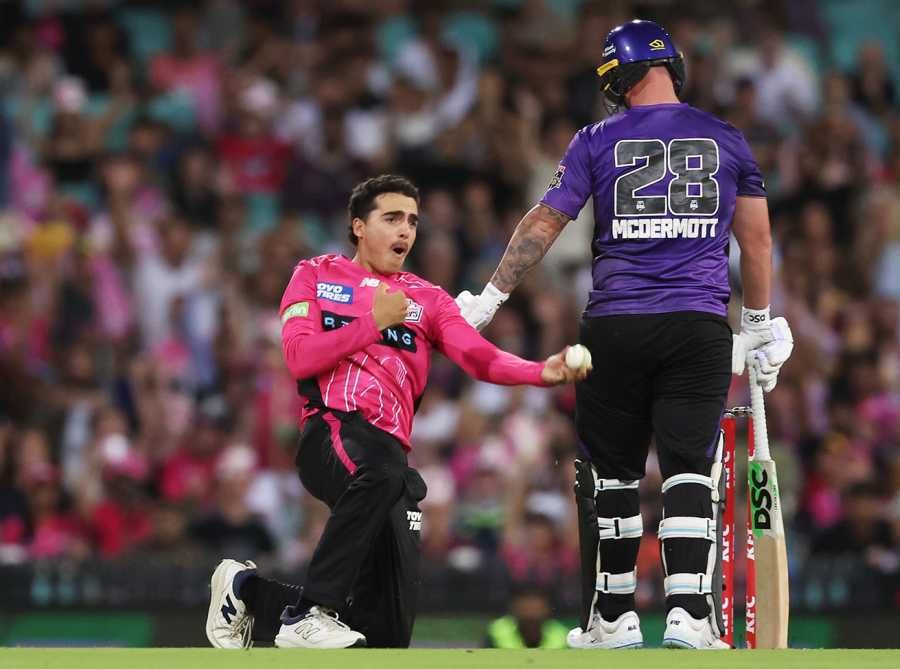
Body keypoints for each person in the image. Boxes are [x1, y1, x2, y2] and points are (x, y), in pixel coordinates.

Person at [457, 20, 793, 649]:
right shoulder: (727, 139)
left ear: (616, 80)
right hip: (698, 326)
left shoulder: (595, 139)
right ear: (673, 65)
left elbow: (545, 221)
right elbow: (758, 241)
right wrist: (758, 324)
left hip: (614, 324)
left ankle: (613, 617)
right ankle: (691, 617)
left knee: (613, 472)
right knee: (689, 469)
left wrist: (492, 296)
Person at [204, 174, 588, 650]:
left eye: (412, 221)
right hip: (332, 429)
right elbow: (299, 357)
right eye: (391, 218)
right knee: (382, 473)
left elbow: (477, 356)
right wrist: (374, 321)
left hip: (390, 458)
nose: (405, 230)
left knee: (385, 634)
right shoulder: (316, 274)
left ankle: (246, 594)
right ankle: (307, 613)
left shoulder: (427, 298)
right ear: (359, 226)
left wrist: (539, 371)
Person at [485, 583, 567, 649]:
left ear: (548, 610)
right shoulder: (496, 632)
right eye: (525, 608)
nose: (530, 615)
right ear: (513, 608)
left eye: (536, 609)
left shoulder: (562, 636)